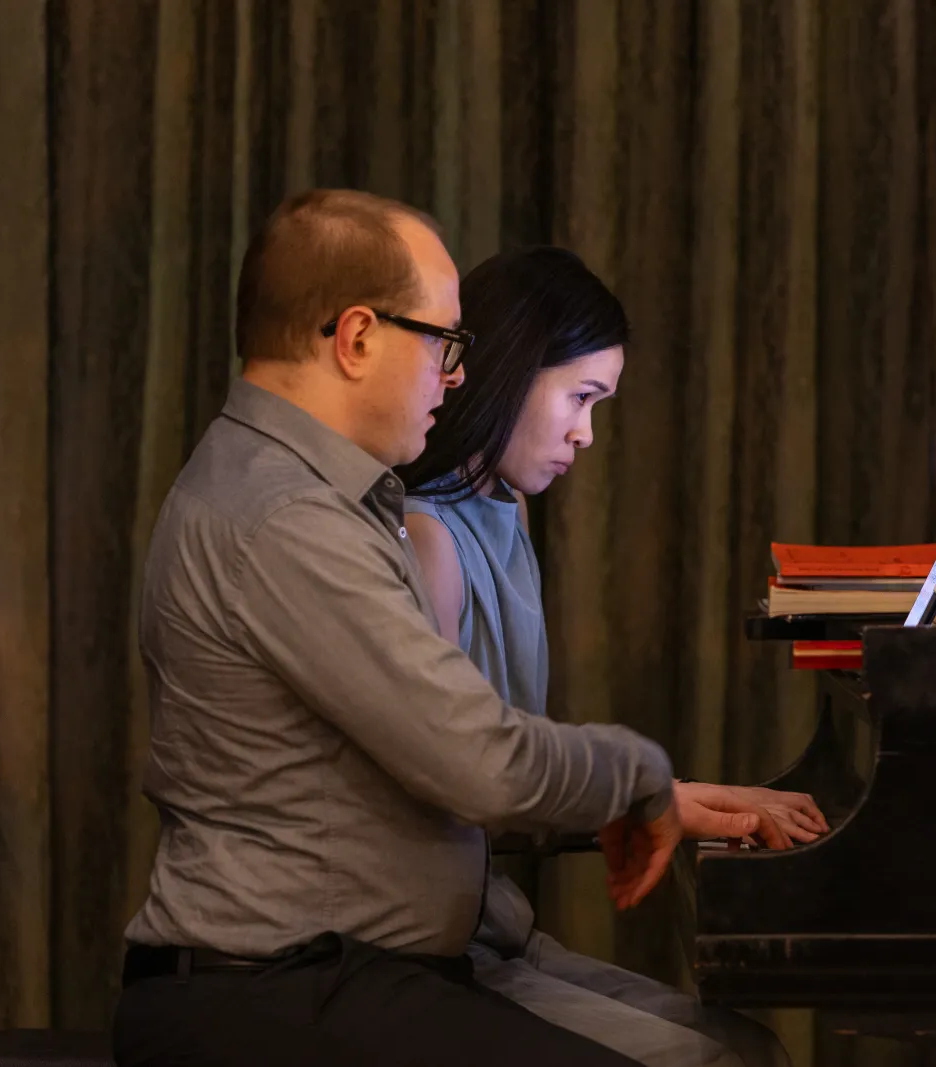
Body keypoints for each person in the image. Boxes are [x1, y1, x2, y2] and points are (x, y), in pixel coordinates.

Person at [113, 191, 691, 1067]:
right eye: (443, 343)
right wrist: (640, 774)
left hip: (336, 974)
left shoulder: (310, 496)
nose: (457, 375)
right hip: (272, 987)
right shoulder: (287, 519)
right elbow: (482, 764)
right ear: (355, 338)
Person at [397, 246, 827, 1067]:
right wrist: (674, 800)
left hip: (496, 923)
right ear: (513, 371)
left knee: (748, 1046)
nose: (585, 433)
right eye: (580, 397)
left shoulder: (506, 511)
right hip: (436, 946)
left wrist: (679, 796)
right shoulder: (426, 537)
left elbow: (516, 750)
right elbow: (460, 781)